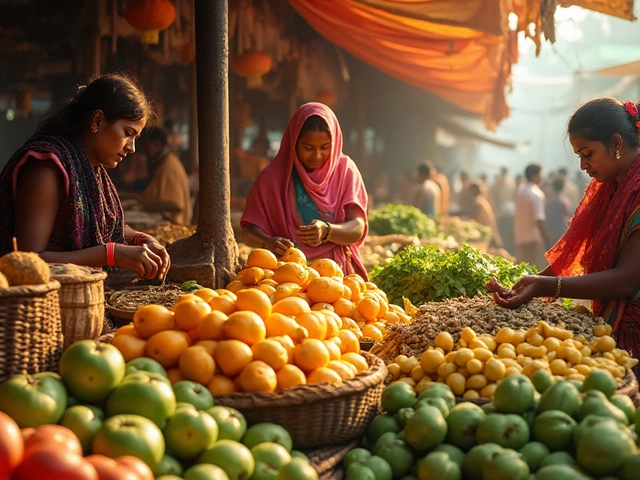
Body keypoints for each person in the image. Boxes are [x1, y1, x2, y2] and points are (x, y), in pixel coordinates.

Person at [488, 97, 640, 363]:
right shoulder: (612, 187)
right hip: (611, 326)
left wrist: (544, 286)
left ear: (616, 143)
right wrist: (530, 284)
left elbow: (627, 279)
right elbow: (579, 250)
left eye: (587, 153)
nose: (583, 166)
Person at [0, 73, 170, 281]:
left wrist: (138, 238)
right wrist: (111, 254)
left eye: (135, 138)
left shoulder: (88, 167)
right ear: (97, 120)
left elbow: (102, 221)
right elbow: (27, 260)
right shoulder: (48, 168)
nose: (132, 148)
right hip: (42, 306)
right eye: (127, 132)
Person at [240, 103, 368, 278]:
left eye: (325, 147)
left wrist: (327, 231)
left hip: (337, 278)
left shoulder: (345, 170)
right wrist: (268, 242)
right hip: (286, 277)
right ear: (293, 143)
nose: (317, 155)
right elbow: (248, 233)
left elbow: (357, 227)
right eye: (308, 148)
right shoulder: (272, 178)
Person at [138, 127, 192, 226]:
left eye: (145, 146)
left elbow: (176, 205)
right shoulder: (164, 162)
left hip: (174, 226)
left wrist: (142, 204)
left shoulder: (169, 166)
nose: (143, 151)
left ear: (157, 145)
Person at [513, 163, 550, 270]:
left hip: (521, 237)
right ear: (535, 176)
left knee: (524, 268)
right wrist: (547, 240)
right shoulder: (536, 194)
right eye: (540, 174)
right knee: (533, 268)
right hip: (533, 239)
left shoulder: (521, 191)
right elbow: (539, 219)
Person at [468, 180, 503, 248]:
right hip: (489, 232)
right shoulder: (482, 201)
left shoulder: (478, 203)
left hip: (486, 235)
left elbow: (474, 221)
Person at [545, 178, 571, 244]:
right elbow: (567, 213)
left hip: (551, 229)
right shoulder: (563, 201)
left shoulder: (549, 201)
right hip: (560, 229)